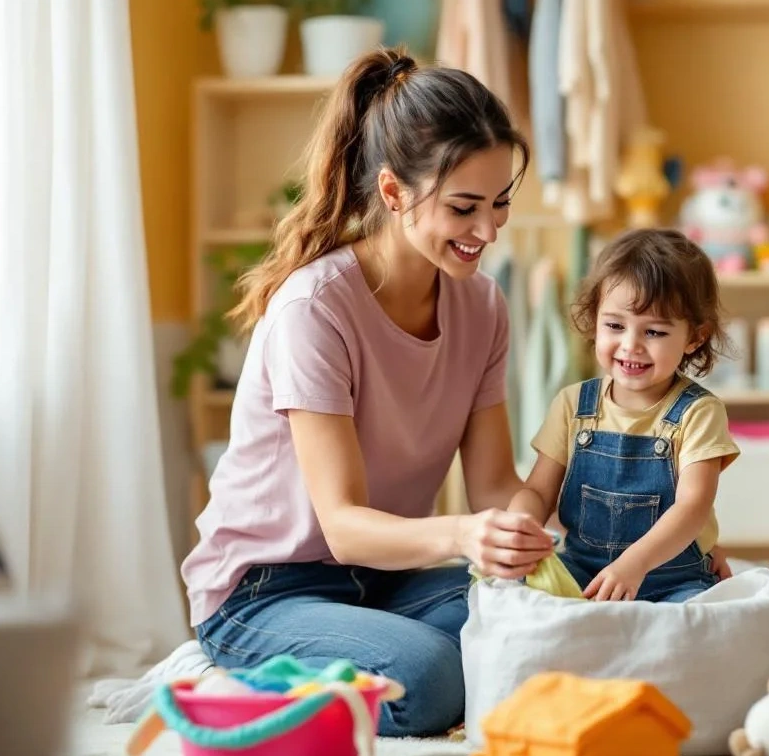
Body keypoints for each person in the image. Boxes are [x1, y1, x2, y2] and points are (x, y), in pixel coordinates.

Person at [178, 48, 557, 738]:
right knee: (438, 675)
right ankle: (243, 679)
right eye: (464, 207)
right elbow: (344, 524)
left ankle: (357, 656)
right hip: (266, 590)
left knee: (543, 622)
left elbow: (496, 485)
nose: (488, 231)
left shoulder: (484, 309)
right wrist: (466, 536)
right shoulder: (315, 309)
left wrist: (546, 540)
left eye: (500, 203)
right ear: (392, 193)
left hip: (383, 581)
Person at [507, 229, 741, 603]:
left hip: (671, 580)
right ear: (594, 318)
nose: (631, 345)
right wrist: (519, 525)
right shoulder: (572, 404)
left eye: (654, 331)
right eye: (615, 325)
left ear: (694, 338)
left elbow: (692, 508)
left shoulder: (699, 412)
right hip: (587, 572)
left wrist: (634, 564)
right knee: (528, 602)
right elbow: (537, 491)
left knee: (689, 634)